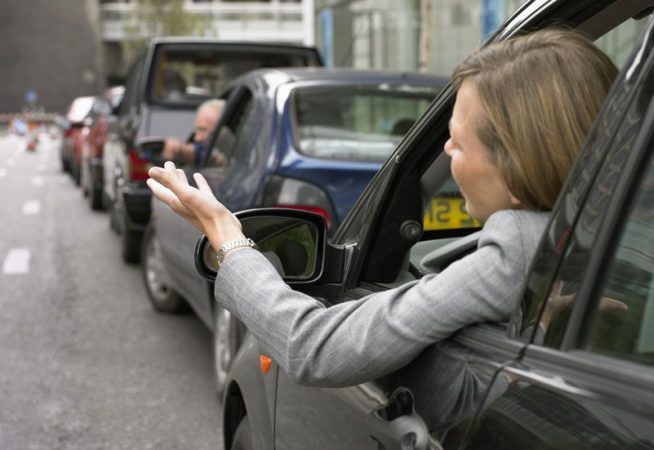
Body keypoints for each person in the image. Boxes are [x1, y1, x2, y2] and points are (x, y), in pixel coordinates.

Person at [147, 29, 618, 388]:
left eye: (459, 140)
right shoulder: (611, 232)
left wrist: (226, 235)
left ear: (517, 163)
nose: (447, 148)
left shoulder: (515, 245)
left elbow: (315, 347)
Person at [163, 98, 226, 166]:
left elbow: (203, 152)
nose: (197, 138)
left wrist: (179, 150)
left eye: (204, 130)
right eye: (197, 130)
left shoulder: (225, 157)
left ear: (225, 130)